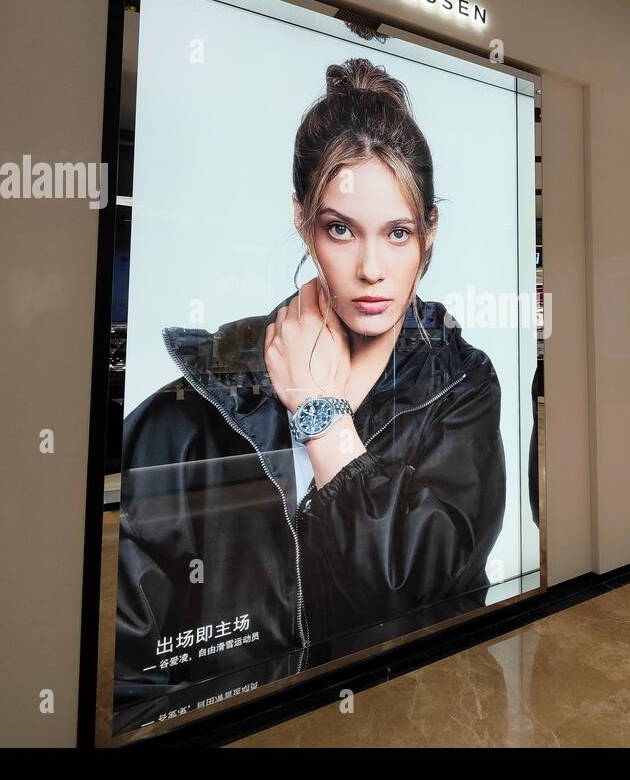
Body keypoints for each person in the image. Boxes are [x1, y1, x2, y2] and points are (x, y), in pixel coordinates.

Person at [114, 58, 506, 701]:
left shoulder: (459, 387)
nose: (372, 268)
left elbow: (434, 602)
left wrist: (322, 420)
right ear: (303, 221)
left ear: (429, 233)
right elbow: (132, 678)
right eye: (340, 229)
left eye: (398, 233)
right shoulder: (188, 416)